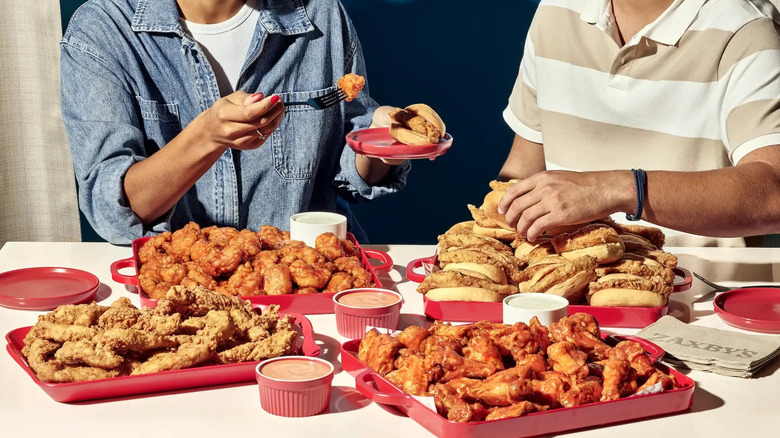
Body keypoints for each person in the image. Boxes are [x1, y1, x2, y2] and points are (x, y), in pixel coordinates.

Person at [60, 0, 409, 245]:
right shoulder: (103, 29)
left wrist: (382, 144)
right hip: (175, 295)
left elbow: (350, 173)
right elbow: (115, 210)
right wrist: (206, 136)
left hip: (308, 284)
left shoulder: (320, 13)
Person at [496, 0, 780, 247]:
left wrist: (614, 190)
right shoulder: (555, 11)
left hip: (697, 294)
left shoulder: (747, 27)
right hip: (560, 287)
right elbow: (522, 173)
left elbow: (774, 193)